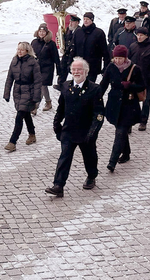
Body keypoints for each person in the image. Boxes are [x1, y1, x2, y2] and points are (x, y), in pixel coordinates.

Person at [45, 57, 104, 197]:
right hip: (69, 130)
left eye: (79, 69)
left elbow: (99, 113)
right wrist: (56, 124)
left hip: (86, 130)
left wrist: (93, 131)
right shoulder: (66, 86)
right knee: (64, 158)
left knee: (89, 156)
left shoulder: (94, 89)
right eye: (74, 69)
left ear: (86, 71)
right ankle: (58, 185)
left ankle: (91, 176)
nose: (76, 72)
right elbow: (61, 107)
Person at [99, 46, 145, 171]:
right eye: (115, 58)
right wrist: (97, 99)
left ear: (125, 58)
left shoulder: (134, 69)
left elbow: (142, 85)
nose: (117, 61)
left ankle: (112, 161)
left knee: (120, 132)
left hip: (128, 105)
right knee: (121, 131)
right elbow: (103, 84)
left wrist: (130, 86)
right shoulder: (111, 67)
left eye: (120, 58)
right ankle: (126, 153)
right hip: (114, 104)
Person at [3, 42, 42, 151]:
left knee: (20, 115)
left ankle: (12, 141)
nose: (19, 51)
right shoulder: (14, 60)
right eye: (18, 49)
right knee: (25, 114)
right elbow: (9, 78)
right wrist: (7, 93)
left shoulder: (33, 62)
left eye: (22, 50)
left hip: (28, 90)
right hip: (17, 91)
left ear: (27, 51)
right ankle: (32, 134)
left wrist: (36, 97)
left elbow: (38, 81)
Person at [127, 27, 150, 131]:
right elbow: (128, 62)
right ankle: (129, 123)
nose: (139, 37)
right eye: (137, 35)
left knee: (146, 101)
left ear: (147, 36)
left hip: (147, 80)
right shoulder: (133, 46)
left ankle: (143, 121)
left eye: (141, 35)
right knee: (131, 102)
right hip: (134, 80)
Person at [69, 12, 110, 82]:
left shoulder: (99, 33)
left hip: (93, 66)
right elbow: (73, 49)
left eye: (87, 19)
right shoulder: (78, 32)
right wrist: (70, 63)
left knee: (89, 87)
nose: (85, 21)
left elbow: (104, 51)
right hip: (79, 65)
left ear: (92, 20)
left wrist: (106, 66)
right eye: (84, 19)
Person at [31, 23, 60, 113]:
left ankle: (35, 106)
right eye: (40, 31)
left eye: (43, 31)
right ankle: (48, 102)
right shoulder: (34, 42)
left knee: (42, 85)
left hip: (47, 68)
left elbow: (56, 57)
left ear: (46, 32)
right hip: (37, 67)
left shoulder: (51, 44)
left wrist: (59, 69)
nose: (42, 33)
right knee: (41, 86)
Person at [56, 14, 80, 90]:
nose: (70, 23)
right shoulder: (68, 29)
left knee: (74, 70)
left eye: (72, 22)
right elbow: (65, 39)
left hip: (74, 54)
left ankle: (75, 86)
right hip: (66, 53)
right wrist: (59, 37)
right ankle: (60, 84)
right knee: (62, 68)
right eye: (70, 21)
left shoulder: (79, 31)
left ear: (77, 23)